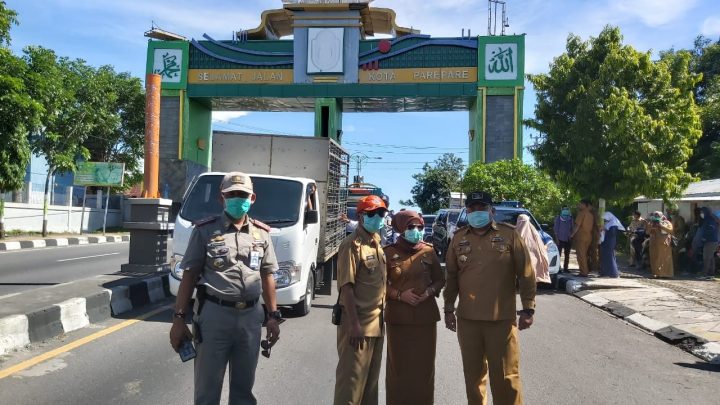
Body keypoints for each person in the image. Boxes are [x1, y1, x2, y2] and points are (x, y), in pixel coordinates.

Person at [169, 172, 281, 405]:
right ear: (222, 199)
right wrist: (179, 318)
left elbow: (267, 274)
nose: (238, 199)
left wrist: (273, 316)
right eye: (232, 194)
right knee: (207, 390)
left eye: (243, 194)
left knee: (243, 389)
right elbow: (189, 276)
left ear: (252, 198)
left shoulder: (262, 234)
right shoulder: (205, 231)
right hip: (214, 316)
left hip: (251, 318)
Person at [443, 191, 536, 405]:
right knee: (473, 379)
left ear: (491, 211)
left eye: (482, 208)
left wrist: (528, 308)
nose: (477, 212)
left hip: (501, 320)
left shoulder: (510, 234)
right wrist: (449, 309)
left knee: (505, 378)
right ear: (466, 211)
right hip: (468, 320)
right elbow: (452, 276)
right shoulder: (458, 238)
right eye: (472, 208)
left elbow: (526, 273)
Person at [383, 210, 445, 405]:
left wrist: (427, 293)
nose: (416, 231)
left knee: (424, 369)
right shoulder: (388, 252)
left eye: (419, 227)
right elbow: (380, 284)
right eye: (411, 227)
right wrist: (400, 295)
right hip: (398, 320)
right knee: (398, 369)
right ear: (401, 228)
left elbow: (439, 280)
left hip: (425, 319)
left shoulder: (428, 250)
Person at [334, 195, 388, 405]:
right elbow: (346, 287)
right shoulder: (351, 245)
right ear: (360, 216)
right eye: (372, 214)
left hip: (377, 324)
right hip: (358, 325)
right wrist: (354, 325)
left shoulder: (377, 243)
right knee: (351, 386)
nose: (377, 218)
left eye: (381, 213)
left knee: (370, 387)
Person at [517, 214, 550, 283]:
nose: (522, 224)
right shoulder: (513, 234)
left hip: (531, 263)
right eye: (521, 222)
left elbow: (542, 245)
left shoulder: (535, 233)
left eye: (524, 222)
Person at [571, 199, 594, 277]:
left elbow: (577, 225)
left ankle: (583, 272)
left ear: (585, 205)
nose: (578, 205)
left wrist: (572, 234)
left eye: (580, 204)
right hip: (588, 236)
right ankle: (585, 270)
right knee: (584, 254)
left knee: (581, 255)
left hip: (581, 237)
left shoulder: (581, 213)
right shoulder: (591, 215)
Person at [648, 211, 674, 278]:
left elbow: (670, 230)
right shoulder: (652, 223)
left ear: (662, 216)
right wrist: (650, 225)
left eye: (658, 215)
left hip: (664, 244)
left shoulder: (667, 222)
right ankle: (656, 273)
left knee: (663, 258)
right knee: (654, 258)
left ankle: (666, 274)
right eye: (655, 215)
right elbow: (648, 232)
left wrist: (661, 226)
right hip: (654, 243)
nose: (656, 217)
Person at [600, 212, 625, 278]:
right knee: (606, 256)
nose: (605, 220)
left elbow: (612, 233)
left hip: (609, 241)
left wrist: (605, 229)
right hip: (607, 241)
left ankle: (612, 273)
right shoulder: (610, 223)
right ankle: (606, 272)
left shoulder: (613, 223)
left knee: (609, 257)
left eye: (606, 218)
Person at [698, 207, 719, 278]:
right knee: (711, 257)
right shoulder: (711, 219)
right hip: (713, 241)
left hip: (710, 241)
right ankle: (711, 273)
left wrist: (704, 238)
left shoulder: (709, 220)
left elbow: (710, 230)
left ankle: (704, 274)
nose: (701, 214)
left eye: (702, 212)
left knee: (706, 257)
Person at [553, 207, 574, 273]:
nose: (566, 211)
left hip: (568, 239)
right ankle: (558, 268)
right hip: (559, 238)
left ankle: (566, 268)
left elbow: (572, 228)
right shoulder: (558, 218)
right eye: (564, 209)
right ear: (562, 210)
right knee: (558, 254)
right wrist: (556, 239)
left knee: (567, 254)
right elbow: (555, 229)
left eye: (567, 209)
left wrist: (571, 236)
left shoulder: (570, 219)